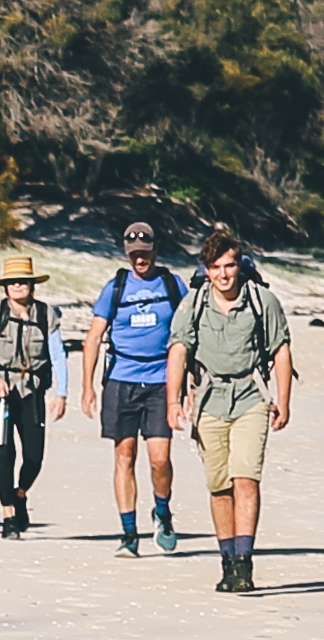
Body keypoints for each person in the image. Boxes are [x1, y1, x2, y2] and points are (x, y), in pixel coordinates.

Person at [173, 230, 298, 594]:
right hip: (209, 400)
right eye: (215, 267)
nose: (224, 274)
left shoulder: (263, 301)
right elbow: (178, 352)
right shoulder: (193, 304)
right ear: (206, 270)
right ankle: (227, 562)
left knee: (246, 479)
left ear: (239, 265)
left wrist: (284, 400)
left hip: (252, 398)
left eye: (229, 266)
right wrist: (173, 401)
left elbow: (281, 351)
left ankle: (244, 563)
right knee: (219, 486)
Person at [76, 218, 188, 555]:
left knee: (159, 460)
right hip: (121, 381)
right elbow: (93, 338)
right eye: (134, 253)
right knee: (124, 455)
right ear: (127, 254)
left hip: (161, 382)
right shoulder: (115, 287)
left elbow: (188, 334)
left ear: (154, 250)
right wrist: (88, 387)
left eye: (145, 252)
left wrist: (191, 385)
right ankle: (128, 534)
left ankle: (163, 511)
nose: (140, 258)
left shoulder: (173, 284)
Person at [0, 249, 60, 536]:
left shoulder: (46, 315)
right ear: (5, 286)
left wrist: (62, 393)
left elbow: (58, 355)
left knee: (34, 457)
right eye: (12, 281)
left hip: (32, 392)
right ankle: (8, 516)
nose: (18, 285)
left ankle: (20, 494)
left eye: (23, 280)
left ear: (32, 284)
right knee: (5, 454)